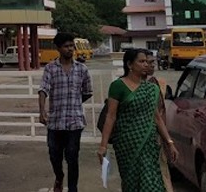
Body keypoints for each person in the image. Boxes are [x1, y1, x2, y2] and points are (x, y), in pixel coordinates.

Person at [98, 48, 179, 192]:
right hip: (126, 145)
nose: (146, 65)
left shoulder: (152, 89)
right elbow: (111, 116)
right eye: (141, 62)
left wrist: (169, 142)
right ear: (130, 65)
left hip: (149, 145)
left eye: (147, 62)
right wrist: (103, 145)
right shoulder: (118, 86)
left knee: (152, 183)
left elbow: (156, 118)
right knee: (131, 183)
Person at [38, 33, 93, 192]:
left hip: (75, 122)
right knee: (54, 154)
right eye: (66, 46)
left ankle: (73, 188)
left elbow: (88, 92)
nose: (70, 49)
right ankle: (59, 176)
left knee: (72, 156)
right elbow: (43, 90)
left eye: (72, 46)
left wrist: (74, 103)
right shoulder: (50, 68)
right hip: (55, 122)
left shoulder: (82, 69)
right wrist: (42, 112)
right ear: (58, 48)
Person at [146, 52, 174, 192]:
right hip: (139, 139)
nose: (151, 65)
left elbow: (158, 114)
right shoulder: (126, 86)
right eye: (147, 62)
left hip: (157, 137)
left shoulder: (156, 84)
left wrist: (168, 141)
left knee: (162, 173)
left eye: (153, 62)